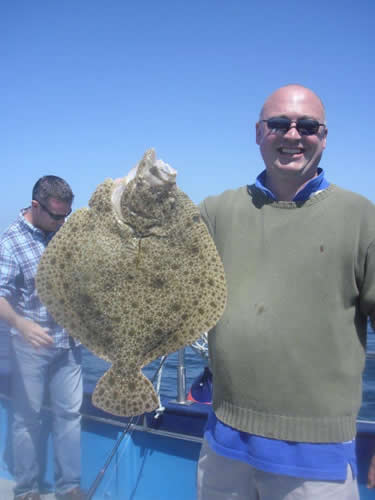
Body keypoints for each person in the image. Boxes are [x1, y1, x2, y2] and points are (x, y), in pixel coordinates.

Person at [197, 84, 375, 500]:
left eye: (307, 126)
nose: (292, 135)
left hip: (319, 460)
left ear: (324, 136)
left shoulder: (363, 218)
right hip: (223, 441)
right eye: (279, 124)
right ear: (259, 132)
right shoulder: (214, 213)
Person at [0, 176, 85, 500]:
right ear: (36, 206)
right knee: (27, 420)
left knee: (69, 417)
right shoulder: (11, 242)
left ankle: (69, 487)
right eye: (56, 217)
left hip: (70, 344)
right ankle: (26, 491)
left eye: (66, 216)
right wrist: (20, 324)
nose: (63, 223)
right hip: (30, 347)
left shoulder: (65, 231)